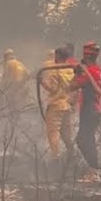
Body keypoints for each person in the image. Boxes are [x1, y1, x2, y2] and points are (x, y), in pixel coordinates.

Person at [37, 44, 81, 172]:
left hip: (56, 106)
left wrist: (42, 82)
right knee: (67, 135)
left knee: (53, 132)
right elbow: (75, 87)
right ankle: (73, 156)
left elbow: (53, 89)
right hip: (66, 106)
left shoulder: (54, 71)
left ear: (58, 56)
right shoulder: (70, 70)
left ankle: (55, 158)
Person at [76, 41, 101, 182]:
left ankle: (94, 171)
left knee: (84, 140)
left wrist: (77, 73)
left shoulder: (90, 72)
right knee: (86, 140)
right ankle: (93, 170)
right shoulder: (96, 70)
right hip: (91, 109)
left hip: (90, 110)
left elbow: (72, 85)